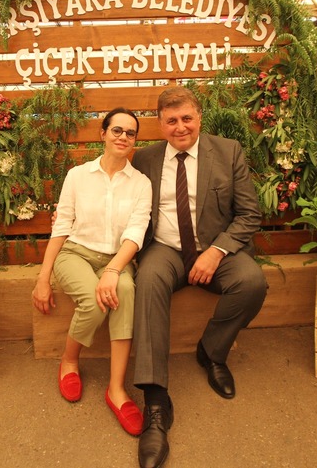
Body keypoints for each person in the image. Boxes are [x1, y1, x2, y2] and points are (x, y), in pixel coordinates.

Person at [130, 86, 268, 468]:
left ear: (199, 117)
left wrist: (216, 250)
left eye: (187, 118)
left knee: (252, 283)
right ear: (160, 124)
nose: (180, 127)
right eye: (171, 120)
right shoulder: (144, 159)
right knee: (148, 281)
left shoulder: (228, 151)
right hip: (165, 249)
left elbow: (249, 214)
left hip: (216, 249)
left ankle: (212, 352)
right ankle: (155, 402)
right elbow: (120, 201)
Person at [32, 107, 152, 436]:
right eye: (117, 130)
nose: (123, 137)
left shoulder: (141, 184)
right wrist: (43, 278)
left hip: (118, 258)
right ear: (103, 134)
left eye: (130, 133)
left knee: (124, 290)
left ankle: (117, 390)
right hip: (76, 253)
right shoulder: (78, 176)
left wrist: (114, 269)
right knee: (93, 300)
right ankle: (70, 360)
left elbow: (136, 232)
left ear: (135, 140)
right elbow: (62, 227)